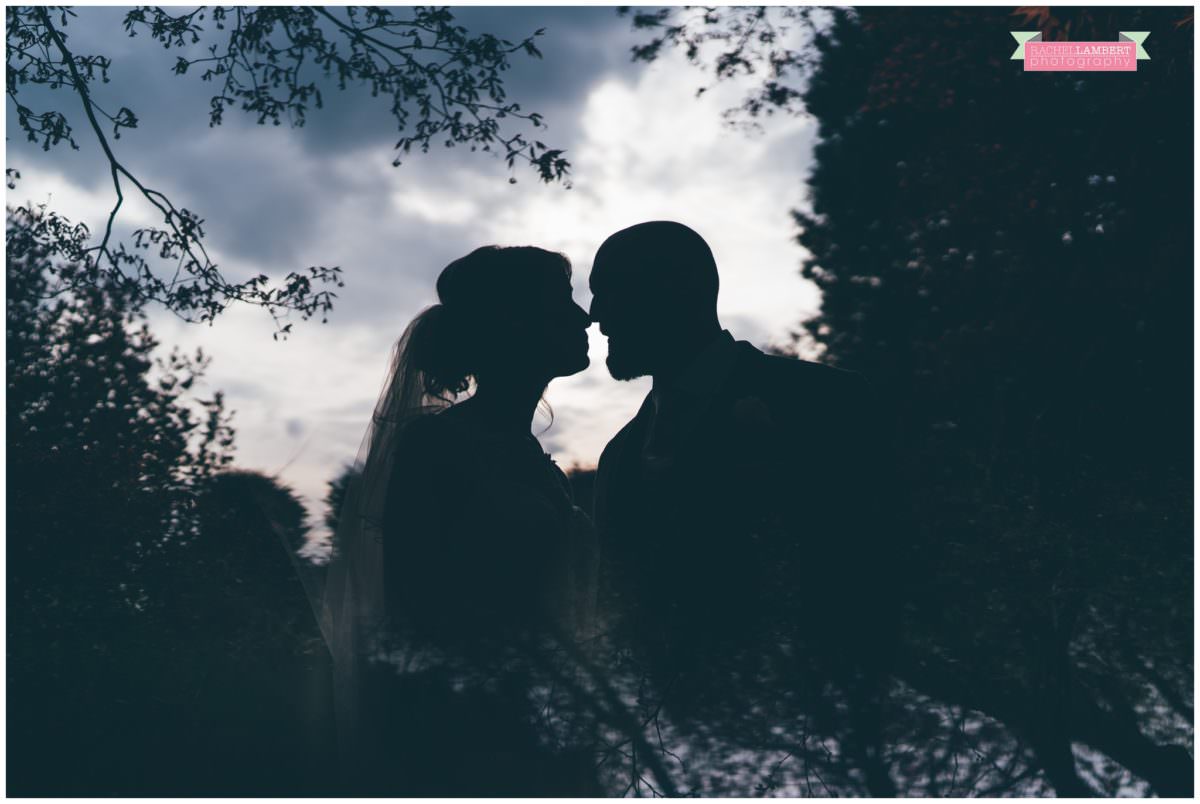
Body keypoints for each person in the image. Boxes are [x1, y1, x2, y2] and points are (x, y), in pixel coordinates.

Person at [589, 220, 900, 794]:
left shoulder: (826, 402)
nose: (594, 314)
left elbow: (879, 565)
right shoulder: (619, 454)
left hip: (820, 747)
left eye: (607, 291)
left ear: (672, 290)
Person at [321, 245, 601, 796]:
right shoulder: (435, 448)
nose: (584, 316)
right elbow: (412, 609)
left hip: (547, 724)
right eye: (562, 304)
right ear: (514, 322)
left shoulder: (534, 461)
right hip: (472, 740)